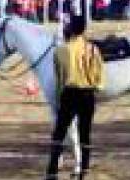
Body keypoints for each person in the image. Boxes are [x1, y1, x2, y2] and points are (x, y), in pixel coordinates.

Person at [45, 14, 105, 180]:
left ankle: (52, 172)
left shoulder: (61, 50)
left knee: (59, 134)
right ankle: (83, 172)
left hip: (69, 95)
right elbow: (99, 78)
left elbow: (60, 80)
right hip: (87, 95)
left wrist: (59, 99)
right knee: (85, 134)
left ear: (70, 29)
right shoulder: (93, 49)